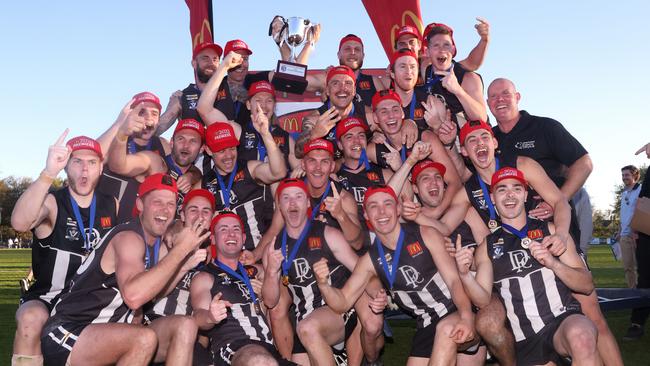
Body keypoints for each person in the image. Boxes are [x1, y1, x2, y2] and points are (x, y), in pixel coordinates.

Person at [39, 173, 209, 366]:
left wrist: (183, 266)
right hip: (71, 328)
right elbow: (134, 296)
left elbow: (154, 291)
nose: (165, 210)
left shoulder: (155, 243)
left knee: (185, 325)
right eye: (157, 202)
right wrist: (180, 250)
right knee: (143, 338)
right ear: (140, 205)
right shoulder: (129, 237)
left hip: (112, 331)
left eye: (170, 204)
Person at [314, 185, 477, 365]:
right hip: (426, 323)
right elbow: (342, 302)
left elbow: (455, 282)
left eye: (388, 204)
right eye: (373, 206)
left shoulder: (426, 234)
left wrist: (466, 317)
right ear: (366, 215)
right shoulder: (370, 260)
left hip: (457, 310)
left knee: (446, 330)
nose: (381, 211)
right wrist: (324, 285)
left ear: (398, 209)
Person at [455, 167, 601, 365]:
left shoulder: (550, 231)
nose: (509, 195)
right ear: (492, 198)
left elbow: (586, 285)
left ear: (525, 195)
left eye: (516, 188)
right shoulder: (487, 247)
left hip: (562, 320)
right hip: (526, 340)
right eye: (501, 189)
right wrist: (464, 275)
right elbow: (481, 300)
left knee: (582, 337)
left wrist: (554, 264)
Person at [10, 132, 118, 366]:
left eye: (91, 162)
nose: (84, 170)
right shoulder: (52, 201)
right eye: (77, 161)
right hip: (49, 296)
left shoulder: (112, 205)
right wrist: (48, 174)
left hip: (91, 300)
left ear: (101, 167)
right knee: (30, 319)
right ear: (66, 166)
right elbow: (19, 223)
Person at [262, 178, 367, 366]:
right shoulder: (274, 247)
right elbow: (270, 301)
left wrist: (370, 303)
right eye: (286, 198)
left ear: (308, 202)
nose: (292, 203)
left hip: (337, 311)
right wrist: (270, 271)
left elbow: (362, 271)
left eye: (298, 197)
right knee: (306, 331)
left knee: (308, 328)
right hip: (305, 321)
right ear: (279, 205)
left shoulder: (327, 233)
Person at [190, 211, 292, 365]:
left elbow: (271, 302)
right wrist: (210, 316)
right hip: (233, 348)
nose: (231, 234)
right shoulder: (205, 277)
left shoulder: (256, 271)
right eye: (223, 229)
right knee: (259, 361)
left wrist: (271, 272)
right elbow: (198, 317)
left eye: (236, 229)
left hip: (268, 349)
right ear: (213, 239)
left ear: (243, 238)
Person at [200, 121, 286, 250]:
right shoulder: (203, 185)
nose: (229, 156)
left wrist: (266, 134)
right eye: (222, 151)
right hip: (225, 259)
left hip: (259, 254)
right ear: (208, 150)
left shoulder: (250, 169)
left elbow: (279, 172)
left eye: (232, 148)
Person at [109, 112, 205, 216]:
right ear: (171, 143)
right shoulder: (156, 163)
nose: (186, 146)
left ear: (202, 149)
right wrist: (121, 134)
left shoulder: (197, 179)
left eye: (193, 141)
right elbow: (118, 166)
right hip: (132, 229)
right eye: (181, 139)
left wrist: (192, 176)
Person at [420, 23, 488, 127]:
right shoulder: (425, 70)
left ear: (452, 49)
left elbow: (481, 118)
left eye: (446, 45)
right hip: (444, 134)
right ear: (427, 52)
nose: (442, 50)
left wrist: (458, 91)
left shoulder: (467, 77)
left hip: (474, 136)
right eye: (436, 45)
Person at [625, 143, 650, 340]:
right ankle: (637, 323)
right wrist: (635, 229)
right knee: (645, 278)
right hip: (647, 235)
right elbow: (643, 201)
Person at [617, 165, 642, 288]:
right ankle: (633, 293)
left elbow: (642, 212)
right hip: (624, 235)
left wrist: (636, 231)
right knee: (628, 267)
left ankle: (644, 293)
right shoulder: (624, 192)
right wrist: (619, 231)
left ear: (635, 175)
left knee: (642, 267)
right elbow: (623, 213)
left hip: (637, 235)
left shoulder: (641, 189)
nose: (624, 177)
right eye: (623, 175)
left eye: (627, 175)